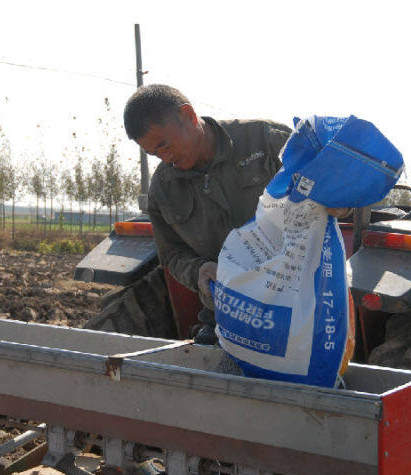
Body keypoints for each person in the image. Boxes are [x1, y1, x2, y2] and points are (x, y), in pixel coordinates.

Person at [123, 84, 291, 343]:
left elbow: (329, 192)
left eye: (164, 145)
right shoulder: (163, 190)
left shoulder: (266, 140)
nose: (165, 158)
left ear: (189, 116)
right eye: (154, 153)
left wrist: (339, 204)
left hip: (297, 308)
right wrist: (200, 271)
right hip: (228, 315)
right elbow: (172, 254)